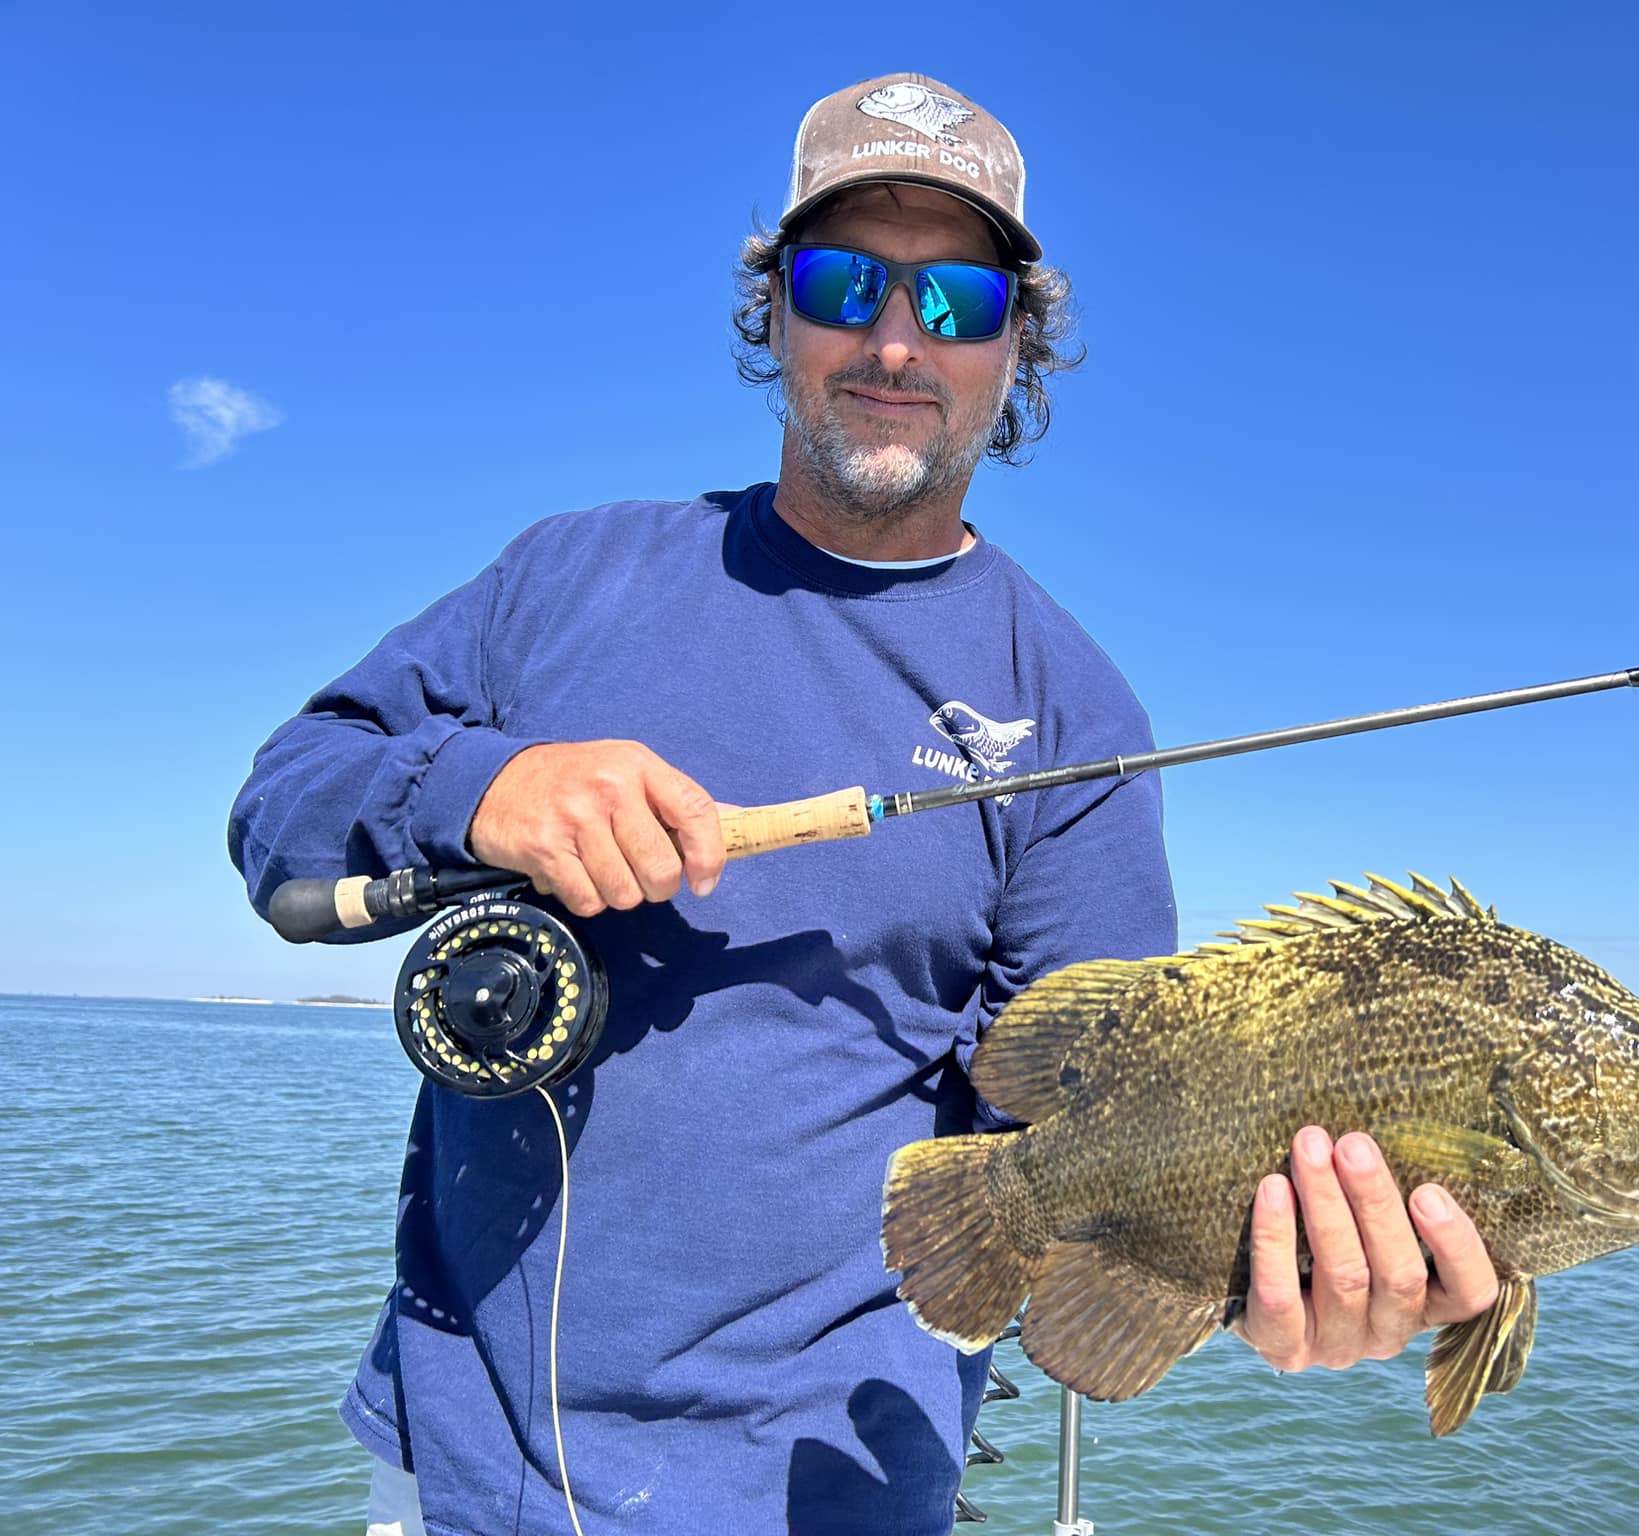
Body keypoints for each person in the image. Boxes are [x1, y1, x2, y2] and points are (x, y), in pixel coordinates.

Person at [229, 72, 1500, 1536]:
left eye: (956, 300)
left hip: (826, 1488)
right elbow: (282, 809)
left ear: (1019, 345)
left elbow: (1105, 1115)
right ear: (775, 310)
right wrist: (483, 784)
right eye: (846, 283)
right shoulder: (566, 575)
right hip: (457, 1455)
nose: (898, 342)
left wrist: (1266, 1278)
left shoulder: (1075, 714)